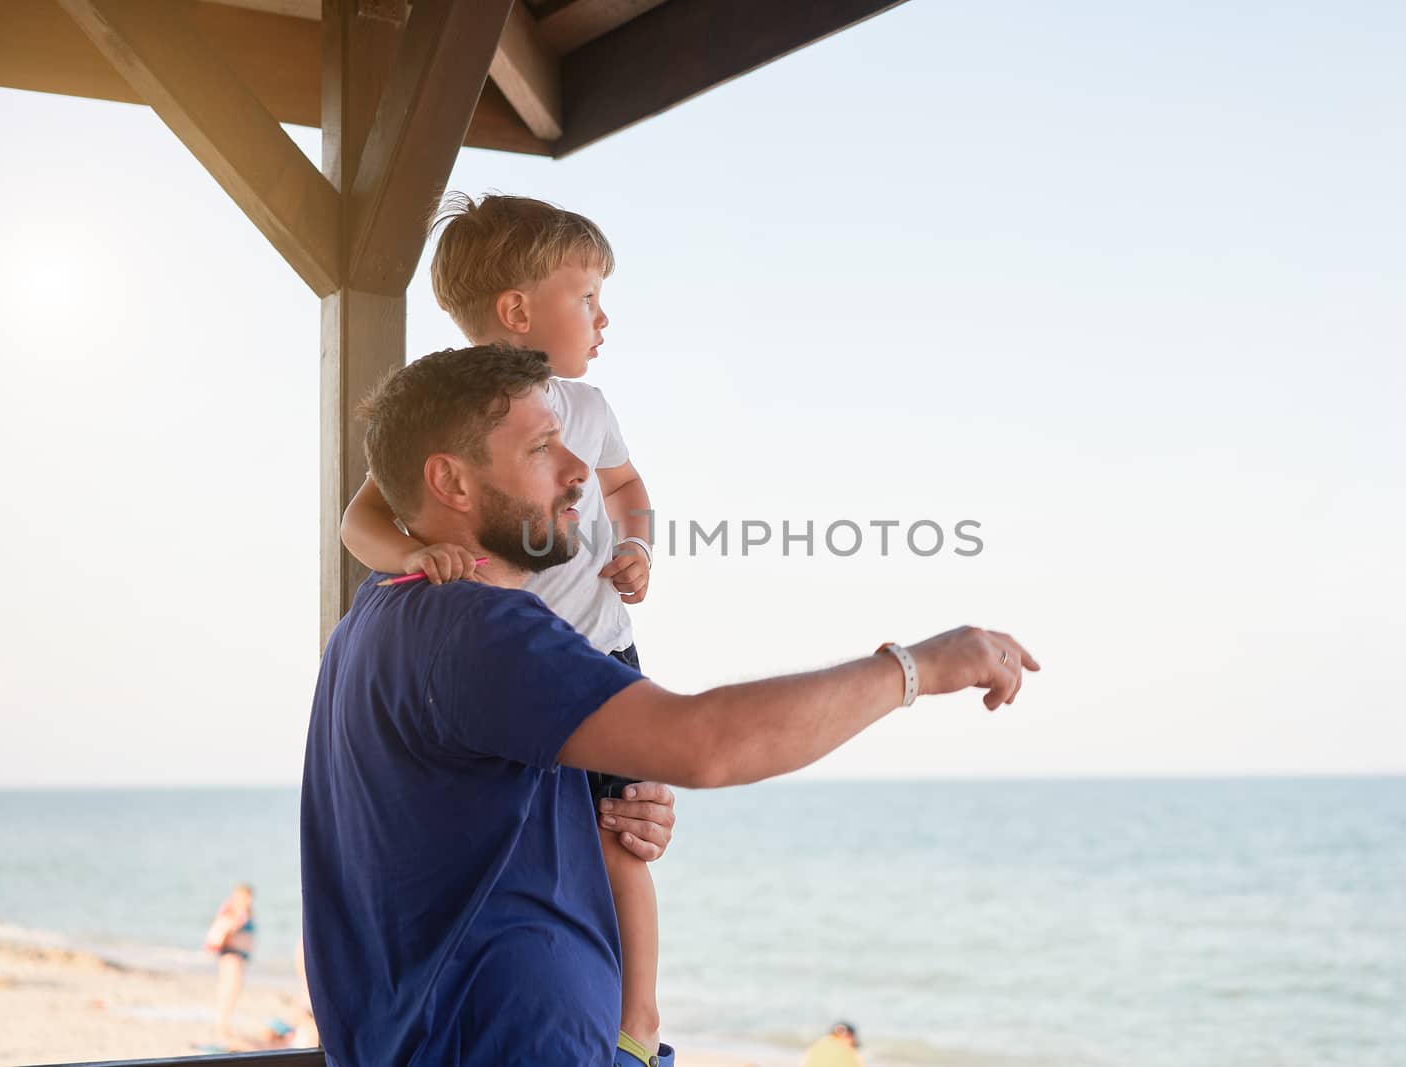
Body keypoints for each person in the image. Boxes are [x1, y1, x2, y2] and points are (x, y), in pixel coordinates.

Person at [301, 344, 1040, 1066]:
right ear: (451, 483)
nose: (579, 471)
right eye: (542, 448)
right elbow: (707, 743)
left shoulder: (372, 622)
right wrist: (919, 667)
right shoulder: (477, 629)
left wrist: (593, 824)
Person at [340, 193, 666, 1066]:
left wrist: (635, 544)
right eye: (588, 295)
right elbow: (360, 522)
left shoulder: (587, 406)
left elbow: (628, 490)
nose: (604, 316)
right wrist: (415, 557)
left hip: (595, 652)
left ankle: (641, 1019)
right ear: (518, 312)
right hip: (512, 668)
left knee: (623, 833)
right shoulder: (444, 410)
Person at [203, 883, 255, 1041]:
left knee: (231, 990)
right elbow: (227, 931)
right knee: (229, 990)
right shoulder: (236, 913)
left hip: (236, 956)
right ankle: (222, 1027)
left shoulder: (240, 912)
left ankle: (223, 1025)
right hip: (233, 956)